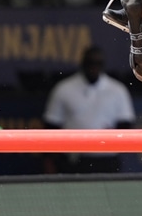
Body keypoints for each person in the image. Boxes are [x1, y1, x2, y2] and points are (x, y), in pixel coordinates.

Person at [42, 46, 136, 174]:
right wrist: (50, 161)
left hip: (107, 159)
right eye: (90, 62)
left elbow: (126, 124)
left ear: (103, 65)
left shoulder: (117, 90)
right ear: (82, 63)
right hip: (75, 160)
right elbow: (51, 126)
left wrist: (109, 139)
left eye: (98, 63)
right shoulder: (64, 89)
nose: (94, 67)